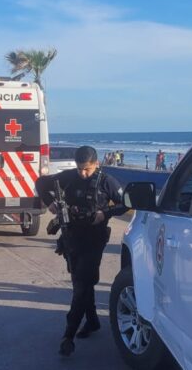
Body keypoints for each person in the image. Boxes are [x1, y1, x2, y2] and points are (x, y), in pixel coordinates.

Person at [35, 146, 127, 357]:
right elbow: (40, 182)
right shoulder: (68, 177)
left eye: (87, 169)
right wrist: (50, 203)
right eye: (79, 169)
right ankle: (93, 321)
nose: (83, 173)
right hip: (71, 239)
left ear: (96, 164)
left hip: (94, 239)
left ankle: (68, 335)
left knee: (81, 285)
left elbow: (126, 203)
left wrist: (106, 213)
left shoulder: (106, 181)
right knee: (82, 282)